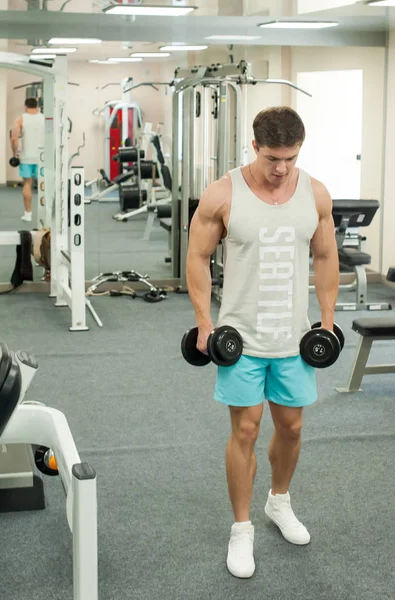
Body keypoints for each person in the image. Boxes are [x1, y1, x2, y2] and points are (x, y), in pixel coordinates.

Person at [186, 106, 339, 578]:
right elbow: (197, 255)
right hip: (242, 339)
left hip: (293, 338)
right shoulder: (223, 193)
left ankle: (279, 501)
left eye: (290, 158)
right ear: (254, 147)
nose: (281, 168)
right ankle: (241, 528)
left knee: (291, 428)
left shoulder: (314, 193)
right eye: (273, 157)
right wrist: (204, 321)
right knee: (246, 431)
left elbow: (326, 255)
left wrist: (328, 322)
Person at [11, 98, 45, 222]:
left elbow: (14, 138)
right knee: (43, 184)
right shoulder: (44, 118)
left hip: (26, 157)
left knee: (27, 183)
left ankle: (28, 214)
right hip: (42, 157)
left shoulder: (20, 119)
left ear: (25, 105)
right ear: (37, 106)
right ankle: (45, 212)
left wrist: (14, 154)